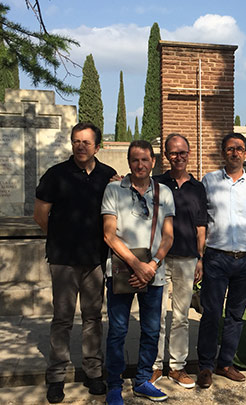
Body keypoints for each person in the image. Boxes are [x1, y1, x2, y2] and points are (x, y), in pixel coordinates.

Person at [34, 122, 116, 404]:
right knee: (62, 319)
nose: (80, 146)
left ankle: (93, 372)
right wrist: (61, 238)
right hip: (64, 260)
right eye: (76, 141)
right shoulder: (56, 175)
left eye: (86, 142)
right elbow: (40, 215)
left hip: (94, 259)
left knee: (93, 318)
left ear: (97, 146)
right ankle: (56, 376)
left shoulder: (107, 175)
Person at [101, 140, 175, 405]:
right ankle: (113, 384)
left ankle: (143, 379)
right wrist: (138, 265)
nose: (140, 165)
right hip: (123, 270)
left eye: (145, 160)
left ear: (153, 162)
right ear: (129, 162)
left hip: (153, 270)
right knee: (118, 330)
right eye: (135, 160)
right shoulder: (113, 189)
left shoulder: (164, 192)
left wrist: (152, 265)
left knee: (152, 329)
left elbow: (168, 236)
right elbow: (109, 235)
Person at [196, 133, 246, 389]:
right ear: (223, 152)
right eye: (230, 149)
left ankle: (225, 363)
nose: (235, 152)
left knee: (236, 315)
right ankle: (205, 366)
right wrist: (200, 257)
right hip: (216, 258)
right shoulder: (209, 181)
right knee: (211, 314)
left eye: (239, 148)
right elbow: (201, 221)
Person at [150, 134, 207, 389]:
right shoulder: (156, 183)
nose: (178, 157)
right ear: (166, 155)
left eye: (182, 152)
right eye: (173, 153)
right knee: (157, 314)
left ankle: (176, 367)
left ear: (189, 152)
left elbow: (201, 226)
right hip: (159, 258)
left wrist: (200, 258)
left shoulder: (198, 187)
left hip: (187, 258)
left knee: (181, 316)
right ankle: (153, 365)